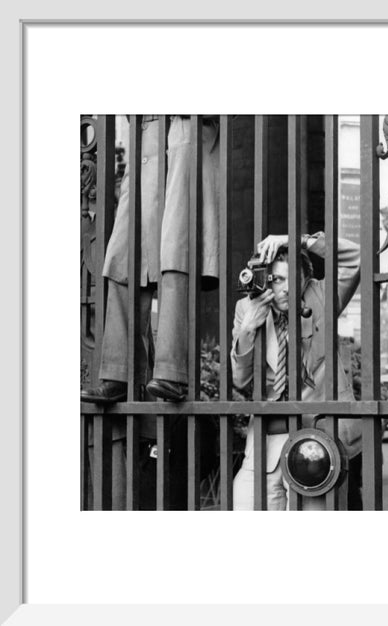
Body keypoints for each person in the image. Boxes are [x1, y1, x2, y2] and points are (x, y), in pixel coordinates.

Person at [81, 114, 220, 404]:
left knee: (176, 251)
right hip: (146, 138)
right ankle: (119, 374)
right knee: (123, 256)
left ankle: (172, 372)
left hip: (185, 130)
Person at [231, 231, 362, 510]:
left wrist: (295, 239)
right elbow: (241, 381)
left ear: (305, 279)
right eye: (277, 279)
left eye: (293, 278)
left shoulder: (321, 295)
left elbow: (356, 259)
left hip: (319, 439)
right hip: (266, 443)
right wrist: (247, 331)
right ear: (265, 279)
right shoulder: (246, 307)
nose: (286, 288)